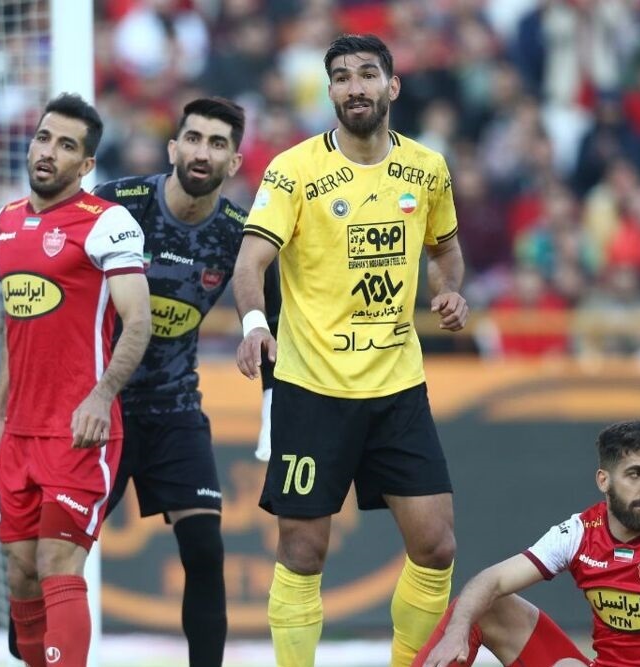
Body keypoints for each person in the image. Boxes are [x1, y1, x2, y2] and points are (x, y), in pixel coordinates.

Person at [233, 33, 469, 667]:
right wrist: (254, 323)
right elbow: (250, 261)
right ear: (330, 91)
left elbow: (445, 249)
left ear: (392, 85)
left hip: (397, 386)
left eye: (367, 74)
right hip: (312, 388)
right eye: (341, 77)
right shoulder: (294, 170)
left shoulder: (427, 168)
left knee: (437, 547)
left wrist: (449, 290)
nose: (354, 87)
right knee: (302, 552)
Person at [90, 96, 261, 667]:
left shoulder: (239, 235)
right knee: (61, 549)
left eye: (217, 143)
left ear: (234, 162)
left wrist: (271, 391)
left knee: (206, 549)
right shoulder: (117, 205)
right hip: (101, 406)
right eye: (192, 138)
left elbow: (275, 318)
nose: (201, 152)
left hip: (175, 408)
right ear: (172, 148)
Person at [0, 92, 151, 667]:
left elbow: (139, 321)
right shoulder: (6, 221)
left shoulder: (108, 223)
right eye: (43, 138)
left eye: (65, 145)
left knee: (58, 563)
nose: (48, 152)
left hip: (79, 430)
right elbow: (17, 324)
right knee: (22, 573)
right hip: (20, 431)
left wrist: (101, 398)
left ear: (86, 164)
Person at [415, 420, 640, 667]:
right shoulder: (581, 532)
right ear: (603, 480)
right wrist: (457, 632)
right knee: (484, 606)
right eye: (635, 474)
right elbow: (491, 580)